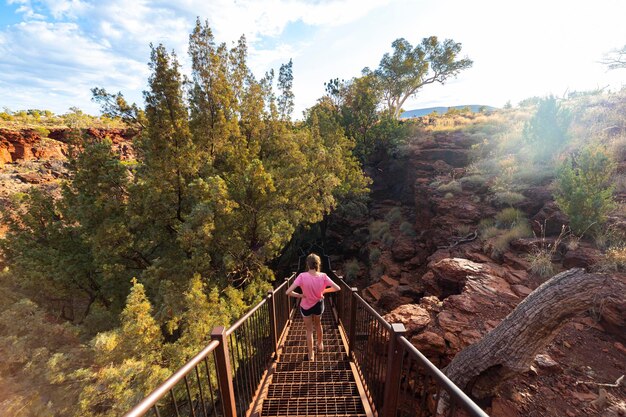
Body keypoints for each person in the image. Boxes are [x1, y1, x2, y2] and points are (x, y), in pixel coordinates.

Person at [286, 253, 341, 361]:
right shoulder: (323, 276)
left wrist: (300, 295)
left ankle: (311, 354)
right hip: (318, 305)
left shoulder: (302, 276)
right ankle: (320, 345)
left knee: (309, 330)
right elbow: (337, 288)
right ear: (318, 264)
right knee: (318, 324)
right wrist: (324, 290)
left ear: (307, 264)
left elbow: (288, 292)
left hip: (305, 306)